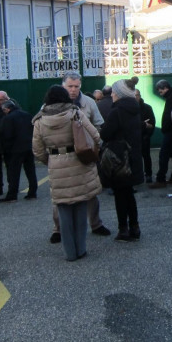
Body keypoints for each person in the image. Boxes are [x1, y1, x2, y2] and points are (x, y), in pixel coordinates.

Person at [33, 85, 102, 261]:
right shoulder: (75, 113)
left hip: (56, 164)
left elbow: (38, 150)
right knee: (80, 207)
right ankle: (81, 249)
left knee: (63, 209)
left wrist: (51, 160)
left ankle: (69, 252)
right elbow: (95, 135)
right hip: (79, 162)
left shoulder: (40, 120)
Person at [48, 71, 110, 242]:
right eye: (70, 86)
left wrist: (92, 147)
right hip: (62, 158)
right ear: (63, 85)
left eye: (76, 86)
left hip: (84, 156)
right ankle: (58, 229)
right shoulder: (50, 106)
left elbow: (98, 125)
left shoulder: (88, 103)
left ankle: (96, 224)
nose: (73, 90)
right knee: (60, 195)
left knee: (91, 192)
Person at [101, 80, 144, 241]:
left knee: (120, 195)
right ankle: (135, 226)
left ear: (118, 93)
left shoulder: (117, 111)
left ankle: (123, 229)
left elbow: (105, 134)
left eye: (113, 92)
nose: (111, 94)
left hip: (119, 159)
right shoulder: (134, 109)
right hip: (132, 157)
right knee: (129, 194)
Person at [0, 100, 38, 202]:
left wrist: (6, 150)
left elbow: (8, 135)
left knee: (14, 172)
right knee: (30, 170)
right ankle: (32, 192)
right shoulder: (27, 115)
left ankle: (12, 195)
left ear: (7, 109)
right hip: (29, 146)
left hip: (15, 149)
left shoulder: (8, 118)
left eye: (4, 110)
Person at [150, 80, 172, 189]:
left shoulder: (170, 99)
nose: (159, 92)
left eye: (160, 90)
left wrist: (165, 128)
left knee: (164, 155)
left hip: (170, 132)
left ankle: (161, 179)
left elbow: (168, 116)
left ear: (165, 88)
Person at [135, 89, 156, 183]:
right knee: (134, 157)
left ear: (140, 95)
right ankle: (137, 175)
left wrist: (147, 135)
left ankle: (148, 174)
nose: (135, 97)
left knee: (146, 156)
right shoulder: (129, 108)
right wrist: (143, 123)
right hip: (133, 137)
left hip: (144, 137)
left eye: (137, 95)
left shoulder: (147, 108)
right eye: (133, 95)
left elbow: (152, 123)